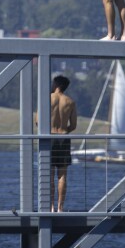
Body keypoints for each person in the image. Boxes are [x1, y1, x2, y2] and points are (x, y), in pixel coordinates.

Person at [49, 76, 77, 212]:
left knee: (48, 174)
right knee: (62, 175)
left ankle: (51, 207)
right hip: (64, 138)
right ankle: (60, 207)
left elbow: (37, 121)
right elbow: (73, 125)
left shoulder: (47, 98)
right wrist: (64, 130)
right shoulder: (70, 101)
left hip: (49, 137)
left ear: (55, 84)